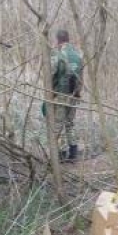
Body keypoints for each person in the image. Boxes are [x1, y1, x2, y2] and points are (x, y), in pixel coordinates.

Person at [49, 29, 83, 163]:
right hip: (74, 94)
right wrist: (78, 93)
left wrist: (50, 92)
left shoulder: (57, 53)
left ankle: (60, 154)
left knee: (58, 124)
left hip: (61, 94)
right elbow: (81, 76)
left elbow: (52, 73)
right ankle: (73, 153)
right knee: (70, 123)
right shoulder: (77, 54)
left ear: (58, 40)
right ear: (68, 39)